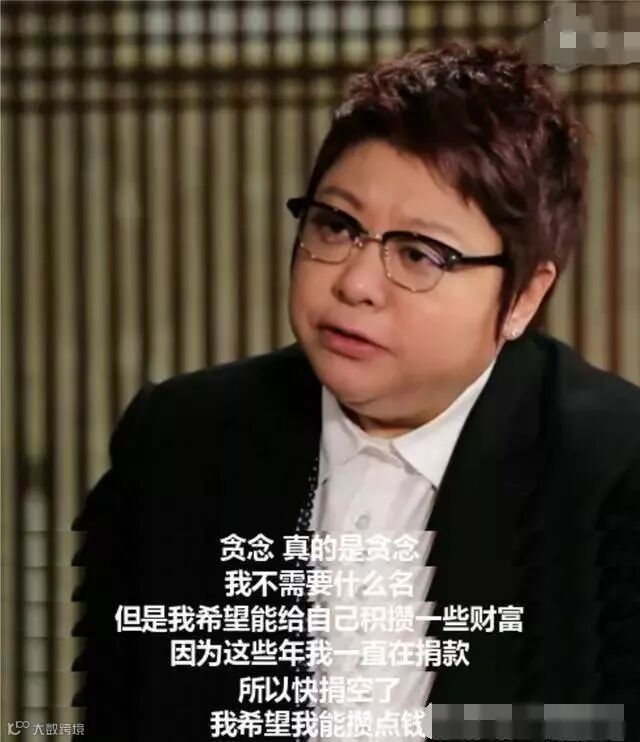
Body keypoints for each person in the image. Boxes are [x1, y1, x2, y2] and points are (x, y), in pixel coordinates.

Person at [72, 40, 640, 742]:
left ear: (524, 296)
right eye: (336, 226)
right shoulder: (179, 441)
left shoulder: (613, 471)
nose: (355, 283)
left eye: (419, 254)